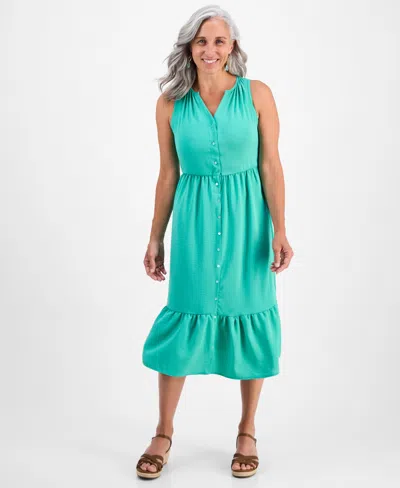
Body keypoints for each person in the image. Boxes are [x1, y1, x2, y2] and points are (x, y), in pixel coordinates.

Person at [137, 5, 294, 479]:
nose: (210, 50)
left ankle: (247, 431)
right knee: (185, 312)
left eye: (219, 41)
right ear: (189, 47)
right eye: (201, 41)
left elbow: (270, 164)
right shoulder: (170, 104)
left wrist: (280, 228)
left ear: (232, 47)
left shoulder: (257, 94)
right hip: (194, 224)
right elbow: (168, 174)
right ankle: (163, 432)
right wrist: (155, 236)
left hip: (250, 223)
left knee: (250, 310)